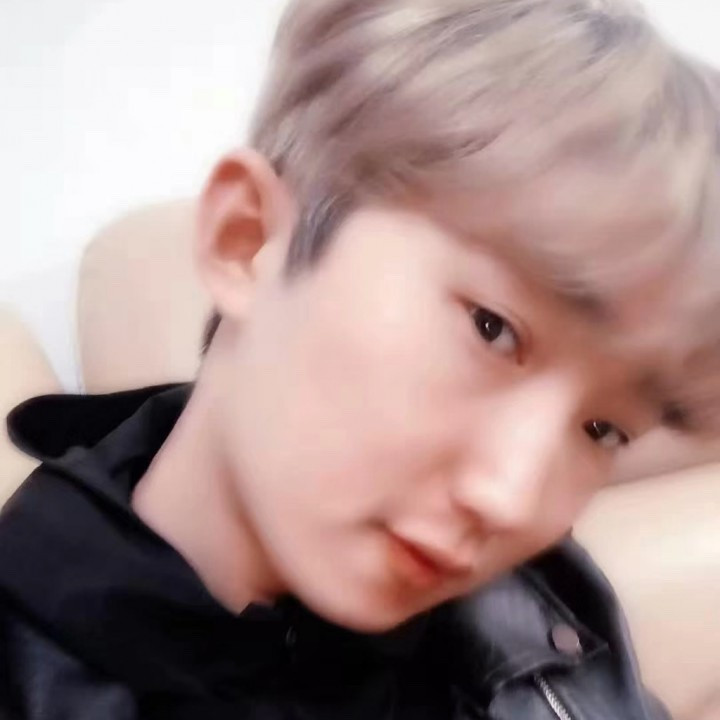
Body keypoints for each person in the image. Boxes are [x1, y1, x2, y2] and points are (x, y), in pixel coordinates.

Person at [1, 0, 719, 717]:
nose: (512, 501)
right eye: (492, 329)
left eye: (602, 429)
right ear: (248, 240)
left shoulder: (537, 600)